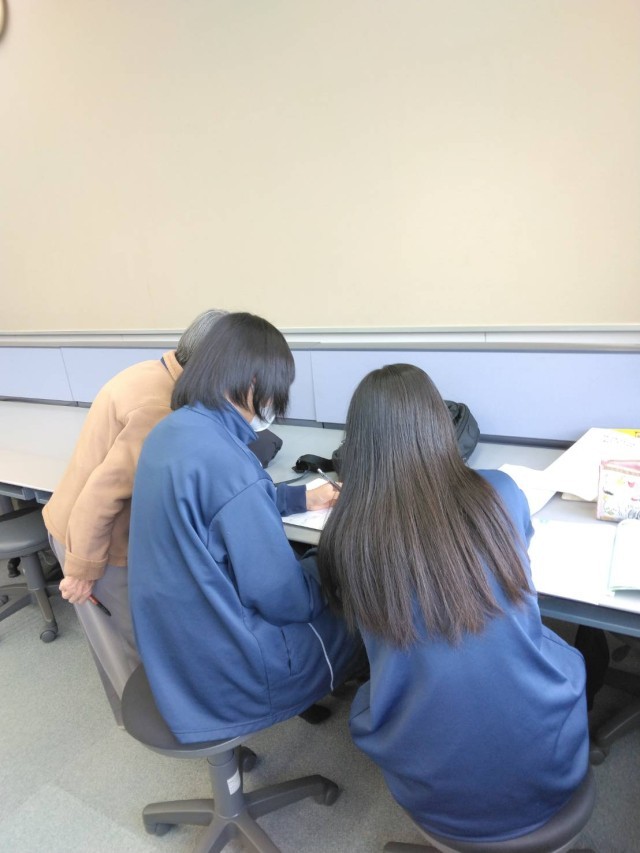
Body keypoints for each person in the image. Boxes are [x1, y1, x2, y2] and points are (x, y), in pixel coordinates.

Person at [317, 363, 590, 844]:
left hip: (434, 793)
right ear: (441, 425)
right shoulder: (500, 492)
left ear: (357, 443)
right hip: (550, 773)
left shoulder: (348, 535)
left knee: (381, 685)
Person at [44, 308, 337, 704]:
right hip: (95, 540)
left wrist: (299, 497)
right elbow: (101, 495)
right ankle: (169, 718)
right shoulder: (159, 410)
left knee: (151, 647)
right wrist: (83, 569)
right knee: (134, 652)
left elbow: (222, 496)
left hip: (134, 536)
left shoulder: (174, 398)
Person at [128, 312, 363, 743]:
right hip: (233, 673)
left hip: (177, 654)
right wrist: (326, 564)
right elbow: (285, 600)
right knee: (359, 610)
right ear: (253, 380)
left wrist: (299, 499)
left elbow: (218, 508)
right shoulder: (228, 462)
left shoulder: (170, 432)